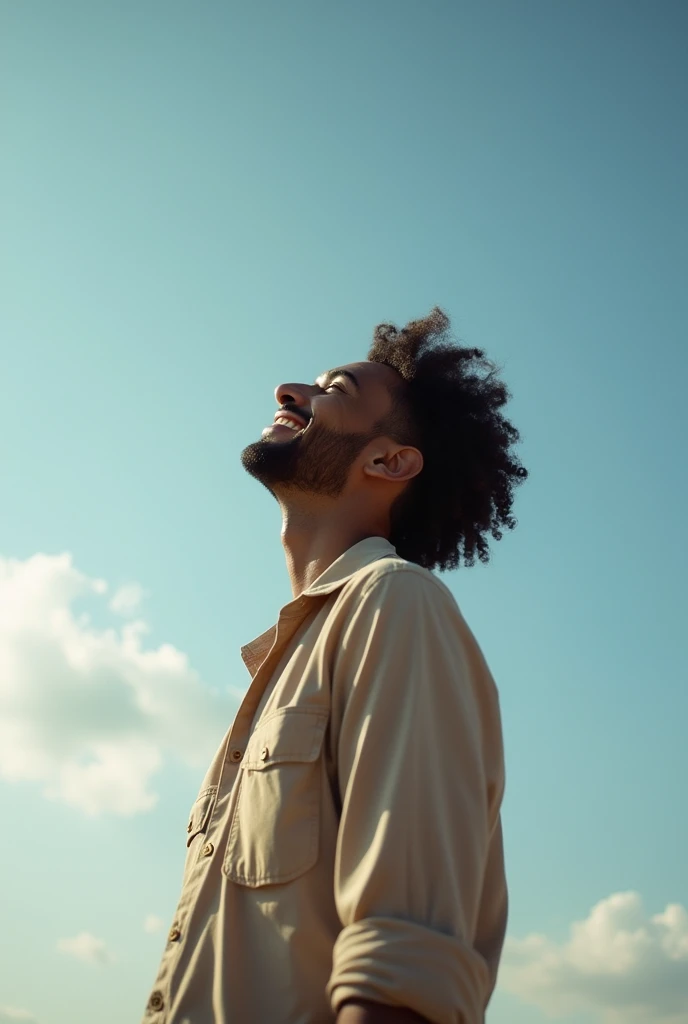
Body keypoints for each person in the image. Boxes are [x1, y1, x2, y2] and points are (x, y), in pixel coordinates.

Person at [141, 308, 528, 1024]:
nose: (290, 391)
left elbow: (403, 967)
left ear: (388, 461)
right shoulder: (286, 664)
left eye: (334, 389)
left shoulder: (396, 604)